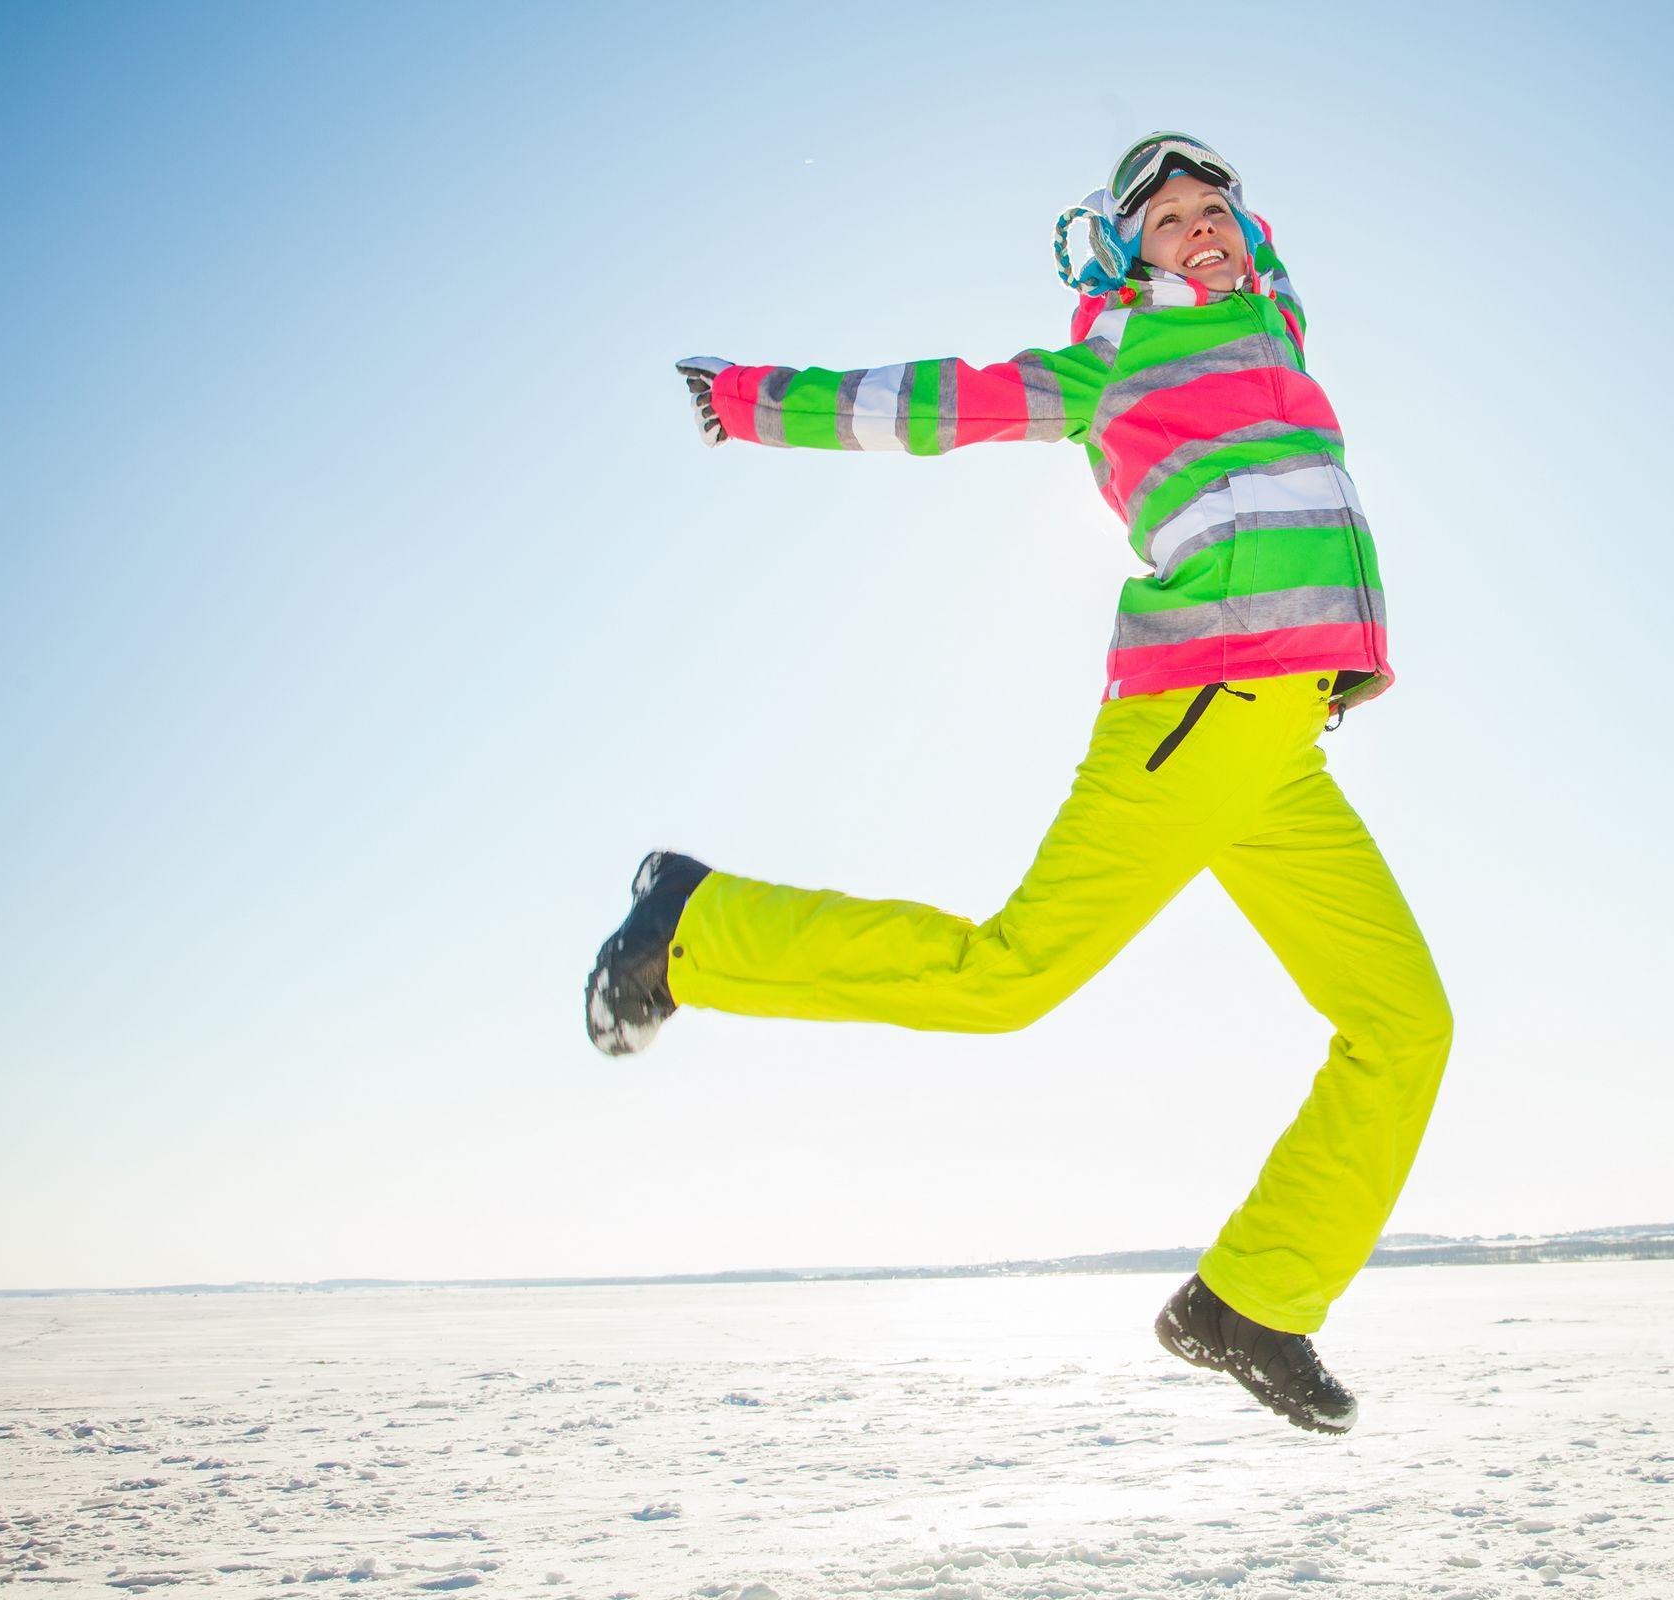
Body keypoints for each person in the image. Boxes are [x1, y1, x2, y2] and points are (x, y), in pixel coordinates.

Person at [586, 132, 1451, 1435]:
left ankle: (1256, 1299)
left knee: (1406, 1023)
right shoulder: (1118, 358)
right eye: (1167, 221)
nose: (1201, 229)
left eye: (1216, 210)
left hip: (1285, 752)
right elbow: (944, 401)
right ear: (1125, 255)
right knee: (1008, 979)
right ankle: (692, 932)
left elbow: (1273, 324)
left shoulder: (1281, 351)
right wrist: (759, 400)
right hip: (1197, 714)